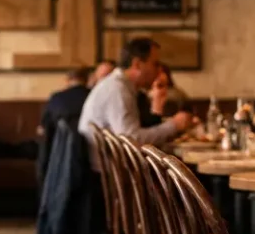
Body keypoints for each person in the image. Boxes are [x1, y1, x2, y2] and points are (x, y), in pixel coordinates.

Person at [78, 38, 195, 171]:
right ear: (137, 64)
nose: (159, 70)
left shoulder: (120, 86)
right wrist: (174, 125)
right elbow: (132, 140)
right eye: (155, 64)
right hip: (114, 175)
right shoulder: (117, 90)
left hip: (114, 170)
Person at [38, 67, 93, 178]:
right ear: (87, 80)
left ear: (67, 80)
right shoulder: (93, 96)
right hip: (90, 154)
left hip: (59, 156)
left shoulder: (57, 98)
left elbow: (42, 129)